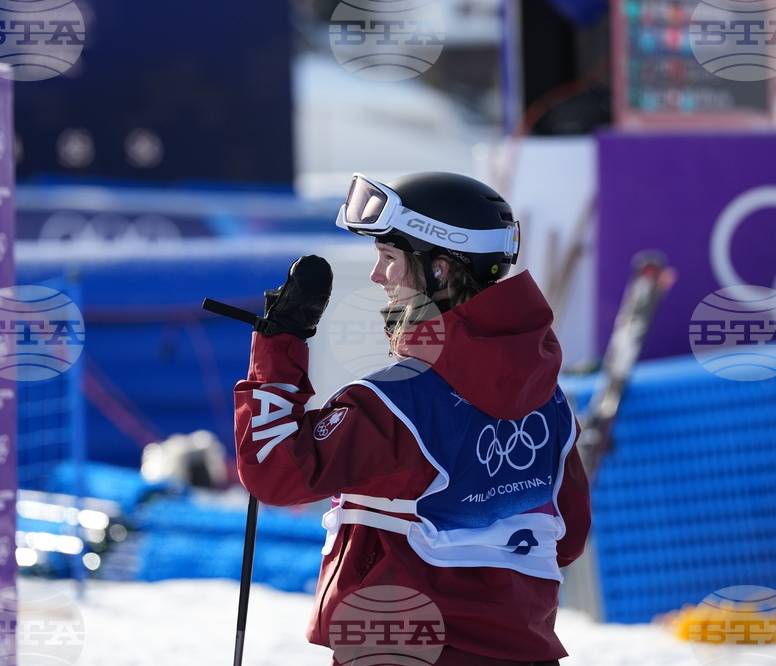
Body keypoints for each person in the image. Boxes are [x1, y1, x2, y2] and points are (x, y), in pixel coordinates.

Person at [233, 172, 591, 665]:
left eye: (389, 259)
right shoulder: (553, 403)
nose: (377, 277)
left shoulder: (395, 403)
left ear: (439, 270)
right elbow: (567, 538)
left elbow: (274, 473)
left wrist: (279, 344)